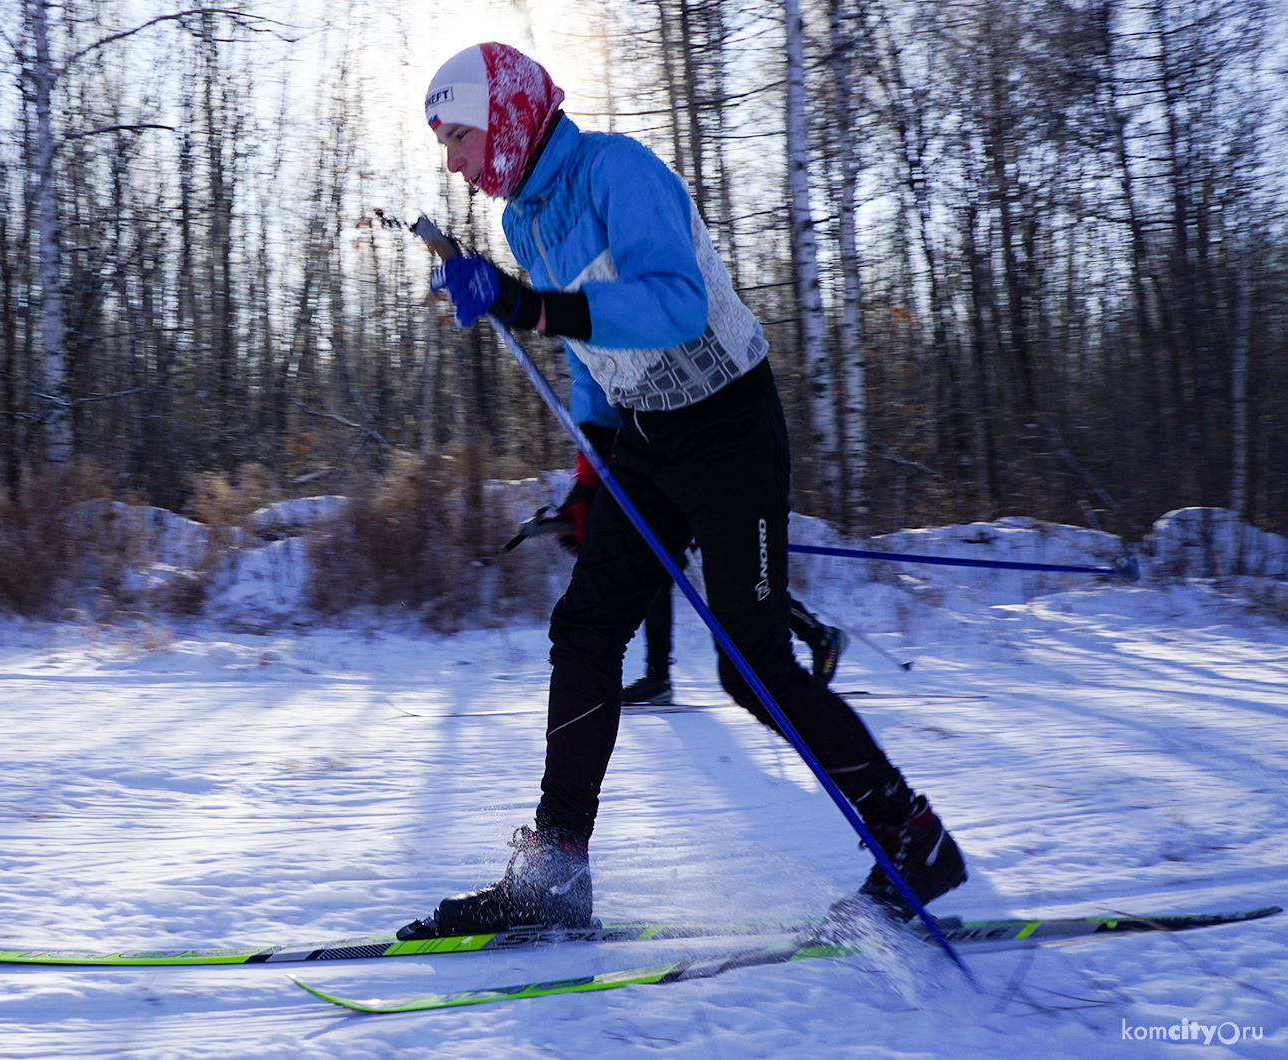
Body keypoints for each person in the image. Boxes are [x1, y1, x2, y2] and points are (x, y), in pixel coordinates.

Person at [399, 42, 964, 939]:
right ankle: (553, 876)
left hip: (730, 427)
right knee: (585, 628)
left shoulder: (617, 171)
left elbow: (676, 307)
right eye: (445, 144)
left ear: (507, 118)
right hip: (643, 440)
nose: (455, 161)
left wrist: (527, 307)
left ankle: (914, 840)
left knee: (754, 669)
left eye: (460, 135)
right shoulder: (523, 226)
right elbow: (593, 363)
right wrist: (591, 474)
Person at [548, 355, 849, 707]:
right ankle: (659, 675)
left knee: (733, 586)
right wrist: (588, 479)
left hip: (705, 454)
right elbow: (591, 388)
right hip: (653, 462)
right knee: (662, 572)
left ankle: (816, 635)